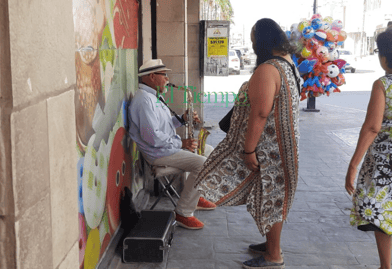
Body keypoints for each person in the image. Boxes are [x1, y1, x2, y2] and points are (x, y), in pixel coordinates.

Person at [196, 18, 301, 269]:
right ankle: (271, 244)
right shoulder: (288, 64)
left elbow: (261, 113)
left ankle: (274, 256)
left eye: (254, 41)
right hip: (283, 149)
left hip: (269, 150)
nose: (253, 46)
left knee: (272, 198)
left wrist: (249, 149)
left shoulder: (268, 69)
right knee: (272, 197)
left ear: (262, 41)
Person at [345, 24, 392, 269]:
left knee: (382, 211)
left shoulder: (385, 84)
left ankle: (386, 265)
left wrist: (353, 165)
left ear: (383, 58)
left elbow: (372, 127)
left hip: (386, 163)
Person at [128, 59, 216, 230]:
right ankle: (183, 212)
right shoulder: (144, 101)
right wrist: (182, 143)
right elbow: (152, 137)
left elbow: (164, 125)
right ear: (152, 77)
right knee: (202, 163)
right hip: (159, 154)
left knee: (209, 151)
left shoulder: (154, 97)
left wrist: (182, 120)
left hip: (166, 148)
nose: (167, 79)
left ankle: (194, 197)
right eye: (164, 75)